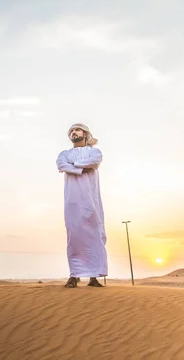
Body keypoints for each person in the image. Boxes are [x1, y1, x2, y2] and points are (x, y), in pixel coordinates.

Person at [56, 123, 107, 288]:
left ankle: (93, 277)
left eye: (77, 129)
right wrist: (80, 168)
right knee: (74, 237)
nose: (73, 132)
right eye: (71, 130)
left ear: (85, 134)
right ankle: (74, 275)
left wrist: (73, 166)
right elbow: (61, 165)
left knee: (94, 235)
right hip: (72, 201)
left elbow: (94, 161)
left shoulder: (94, 151)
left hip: (91, 201)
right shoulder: (64, 153)